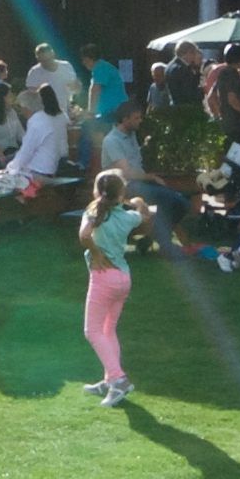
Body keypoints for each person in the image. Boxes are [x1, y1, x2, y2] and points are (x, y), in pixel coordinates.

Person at [74, 168, 146, 405]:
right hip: (123, 279)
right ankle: (109, 381)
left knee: (91, 331)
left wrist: (96, 253)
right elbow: (144, 215)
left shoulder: (93, 210)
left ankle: (119, 379)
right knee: (108, 329)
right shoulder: (127, 217)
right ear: (121, 193)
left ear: (97, 191)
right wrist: (137, 202)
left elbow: (84, 235)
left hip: (104, 278)